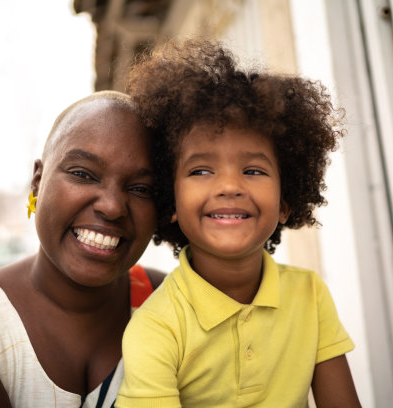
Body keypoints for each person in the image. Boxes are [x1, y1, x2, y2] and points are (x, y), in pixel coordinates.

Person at [116, 40, 362, 407]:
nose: (230, 186)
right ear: (170, 200)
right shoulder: (156, 327)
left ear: (284, 203)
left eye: (253, 170)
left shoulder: (310, 295)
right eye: (200, 170)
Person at [0, 91, 166, 408]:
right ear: (37, 181)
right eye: (82, 174)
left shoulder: (174, 306)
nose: (111, 207)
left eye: (141, 189)